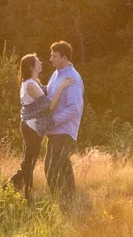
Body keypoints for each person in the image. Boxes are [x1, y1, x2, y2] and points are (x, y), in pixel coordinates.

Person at [42, 41, 84, 208]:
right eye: (51, 55)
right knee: (58, 169)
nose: (51, 59)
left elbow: (74, 108)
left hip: (63, 130)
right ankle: (67, 205)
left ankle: (64, 205)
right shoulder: (56, 74)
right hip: (54, 130)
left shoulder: (73, 78)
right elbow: (49, 94)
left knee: (54, 169)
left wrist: (53, 121)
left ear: (64, 58)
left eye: (54, 56)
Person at [10, 52, 51, 199]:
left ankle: (27, 196)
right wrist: (62, 86)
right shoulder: (30, 85)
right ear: (32, 67)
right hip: (31, 128)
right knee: (28, 164)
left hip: (33, 128)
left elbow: (47, 91)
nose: (41, 62)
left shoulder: (35, 82)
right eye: (37, 61)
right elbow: (47, 105)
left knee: (29, 164)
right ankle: (7, 190)